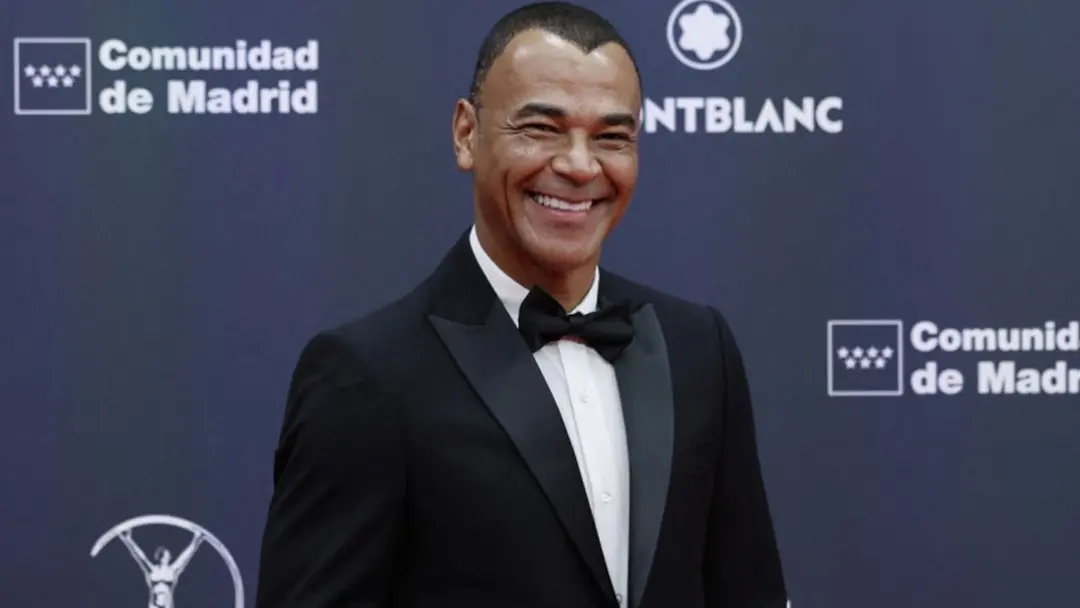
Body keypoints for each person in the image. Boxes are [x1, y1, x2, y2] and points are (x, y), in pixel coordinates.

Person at [254, 2, 787, 607]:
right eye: (541, 129)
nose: (580, 165)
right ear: (467, 134)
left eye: (611, 137)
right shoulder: (367, 376)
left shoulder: (697, 349)